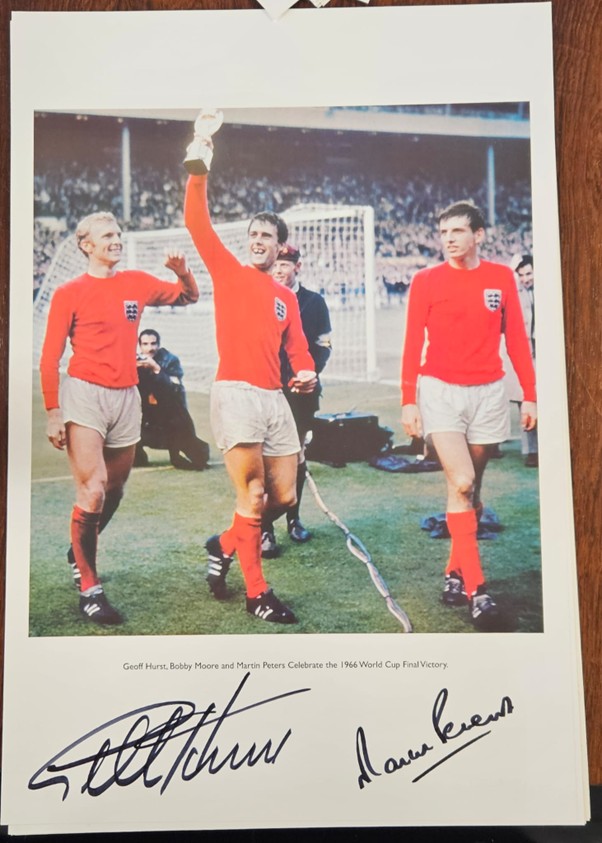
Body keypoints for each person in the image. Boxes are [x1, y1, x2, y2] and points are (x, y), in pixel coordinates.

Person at [183, 111, 317, 624]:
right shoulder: (229, 271)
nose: (259, 240)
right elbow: (197, 221)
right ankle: (257, 593)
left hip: (274, 399)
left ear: (281, 246)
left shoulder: (286, 297)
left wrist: (308, 373)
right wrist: (201, 158)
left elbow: (299, 350)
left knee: (283, 494)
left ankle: (222, 544)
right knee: (254, 493)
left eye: (268, 235)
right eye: (254, 233)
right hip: (236, 393)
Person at [40, 211, 199, 625]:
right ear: (86, 245)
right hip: (84, 396)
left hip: (127, 396)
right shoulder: (68, 292)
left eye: (118, 233)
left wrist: (183, 273)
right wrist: (53, 410)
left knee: (115, 490)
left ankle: (78, 549)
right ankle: (90, 588)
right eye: (107, 235)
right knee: (92, 491)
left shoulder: (137, 284)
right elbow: (50, 356)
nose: (116, 239)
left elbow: (189, 297)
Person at [400, 201, 537, 630]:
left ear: (479, 235)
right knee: (460, 482)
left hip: (489, 394)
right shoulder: (425, 281)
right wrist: (408, 399)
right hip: (440, 392)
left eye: (458, 231)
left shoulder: (500, 279)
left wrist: (530, 395)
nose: (449, 240)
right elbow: (410, 344)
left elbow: (516, 339)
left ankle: (453, 574)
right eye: (443, 233)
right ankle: (478, 591)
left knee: (470, 493)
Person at [260, 244, 332, 557]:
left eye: (286, 264)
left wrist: (308, 374)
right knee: (265, 458)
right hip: (265, 390)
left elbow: (323, 345)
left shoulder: (314, 302)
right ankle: (265, 530)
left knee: (297, 454)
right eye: (276, 263)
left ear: (297, 267)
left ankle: (294, 519)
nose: (279, 269)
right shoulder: (259, 296)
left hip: (300, 393)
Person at [134, 328, 209, 471]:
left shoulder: (170, 360)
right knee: (126, 431)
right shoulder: (135, 361)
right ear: (140, 346)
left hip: (171, 416)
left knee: (199, 458)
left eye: (153, 344)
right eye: (145, 344)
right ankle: (137, 455)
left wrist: (156, 369)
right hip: (147, 417)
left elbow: (172, 390)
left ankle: (198, 449)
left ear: (159, 345)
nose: (150, 348)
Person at [515, 255, 538, 467]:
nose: (525, 279)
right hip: (527, 353)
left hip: (546, 351)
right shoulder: (517, 293)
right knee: (526, 400)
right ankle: (531, 451)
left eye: (529, 274)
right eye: (521, 275)